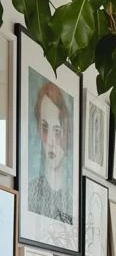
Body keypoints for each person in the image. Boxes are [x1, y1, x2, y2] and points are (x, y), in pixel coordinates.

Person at [28, 81, 73, 224]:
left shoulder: (73, 199)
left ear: (66, 133)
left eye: (57, 131)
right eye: (45, 128)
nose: (51, 142)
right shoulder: (30, 192)